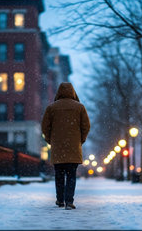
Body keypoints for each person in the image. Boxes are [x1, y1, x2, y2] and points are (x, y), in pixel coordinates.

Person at [41, 82, 90, 210]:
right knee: (71, 176)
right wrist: (80, 140)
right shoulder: (80, 107)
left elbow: (45, 126)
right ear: (73, 92)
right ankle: (69, 201)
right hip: (74, 148)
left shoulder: (51, 108)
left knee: (59, 175)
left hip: (58, 148)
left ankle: (59, 200)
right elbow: (86, 126)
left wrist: (50, 139)